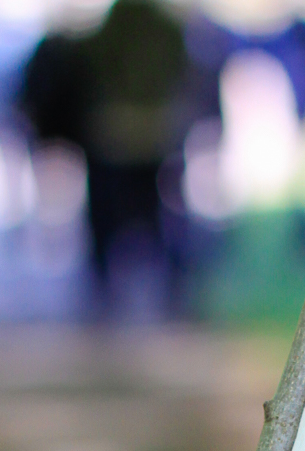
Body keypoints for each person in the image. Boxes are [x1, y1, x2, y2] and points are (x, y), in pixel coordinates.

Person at [19, 0, 188, 312]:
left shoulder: (106, 35)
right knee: (155, 213)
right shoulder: (167, 31)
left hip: (114, 135)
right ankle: (165, 285)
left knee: (110, 216)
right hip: (149, 134)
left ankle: (109, 285)